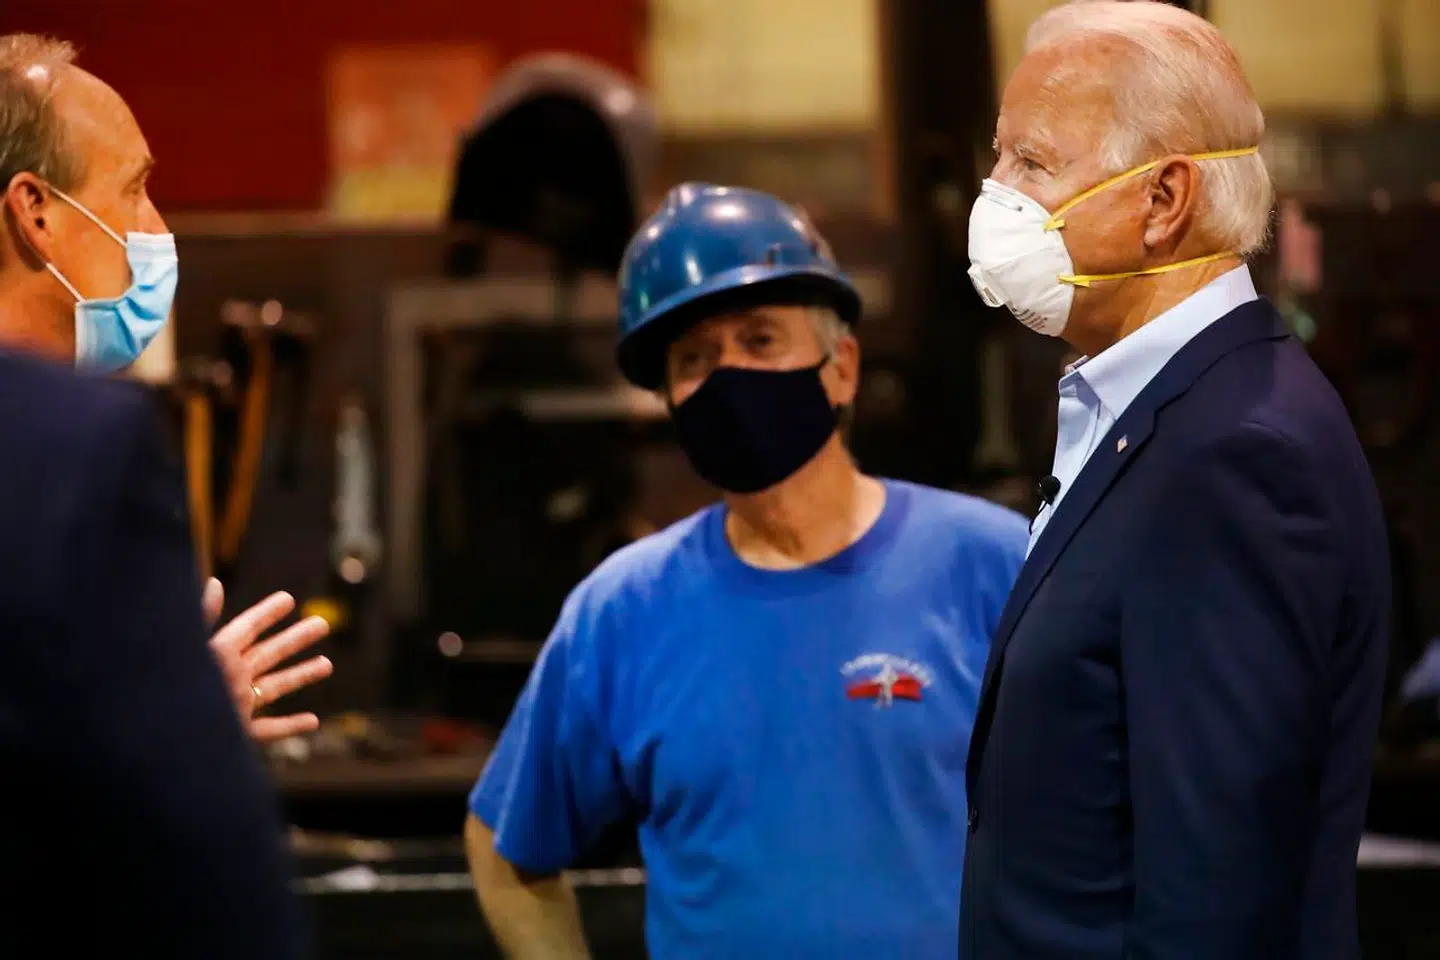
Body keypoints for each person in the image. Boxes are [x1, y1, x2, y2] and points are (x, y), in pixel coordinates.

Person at [464, 183, 1028, 958]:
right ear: (669, 397)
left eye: (760, 339)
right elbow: (504, 849)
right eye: (694, 358)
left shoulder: (993, 564)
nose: (728, 375)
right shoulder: (623, 611)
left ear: (842, 368)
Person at [960, 4, 1389, 958]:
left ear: (1162, 200)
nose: (995, 196)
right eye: (998, 158)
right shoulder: (1152, 409)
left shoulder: (1235, 455)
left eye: (1032, 162)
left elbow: (1217, 890)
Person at [0, 34, 320, 956]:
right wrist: (178, 730)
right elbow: (202, 887)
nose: (155, 226)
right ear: (36, 212)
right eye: (134, 188)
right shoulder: (78, 456)